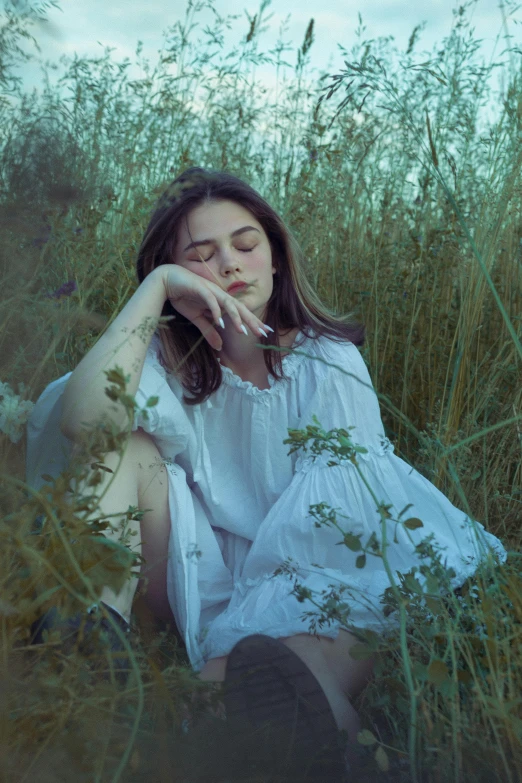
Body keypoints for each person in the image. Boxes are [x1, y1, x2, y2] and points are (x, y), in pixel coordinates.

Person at [26, 167, 507, 779]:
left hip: (322, 567)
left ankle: (354, 758)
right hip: (200, 566)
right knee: (118, 444)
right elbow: (84, 421)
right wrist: (154, 290)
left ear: (276, 257)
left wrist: (235, 641)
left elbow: (328, 538)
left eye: (246, 245)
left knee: (259, 679)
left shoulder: (327, 362)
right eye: (200, 257)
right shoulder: (167, 358)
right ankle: (91, 648)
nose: (230, 265)